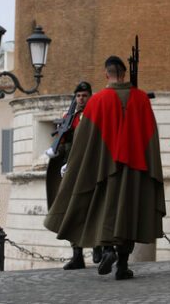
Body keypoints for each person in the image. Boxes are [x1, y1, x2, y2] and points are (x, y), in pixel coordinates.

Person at [44, 56, 165, 280]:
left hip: (104, 168)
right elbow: (151, 137)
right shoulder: (141, 99)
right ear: (125, 73)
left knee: (104, 210)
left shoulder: (97, 101)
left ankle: (107, 249)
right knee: (128, 212)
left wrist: (72, 165)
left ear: (105, 74)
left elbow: (83, 140)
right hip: (135, 167)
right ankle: (122, 266)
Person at [45, 81, 102, 269]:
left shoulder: (95, 116)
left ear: (90, 96)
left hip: (91, 170)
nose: (81, 99)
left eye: (84, 95)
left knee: (94, 209)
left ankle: (98, 246)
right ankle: (77, 254)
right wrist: (56, 151)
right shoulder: (70, 117)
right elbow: (63, 141)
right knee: (71, 212)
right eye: (78, 96)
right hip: (70, 172)